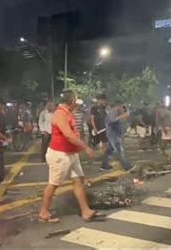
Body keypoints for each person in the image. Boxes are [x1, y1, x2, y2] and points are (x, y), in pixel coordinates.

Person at [39, 90, 103, 223]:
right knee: (53, 184)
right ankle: (43, 212)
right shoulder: (60, 114)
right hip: (60, 155)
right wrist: (85, 147)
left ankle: (86, 211)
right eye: (76, 101)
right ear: (72, 101)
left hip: (71, 154)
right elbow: (68, 134)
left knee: (78, 181)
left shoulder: (67, 113)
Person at [101, 101, 133, 171]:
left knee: (108, 151)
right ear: (118, 106)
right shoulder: (113, 112)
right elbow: (111, 121)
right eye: (122, 107)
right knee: (119, 151)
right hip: (113, 135)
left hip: (112, 134)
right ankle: (127, 166)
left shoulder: (115, 112)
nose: (123, 109)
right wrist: (122, 116)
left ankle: (104, 165)